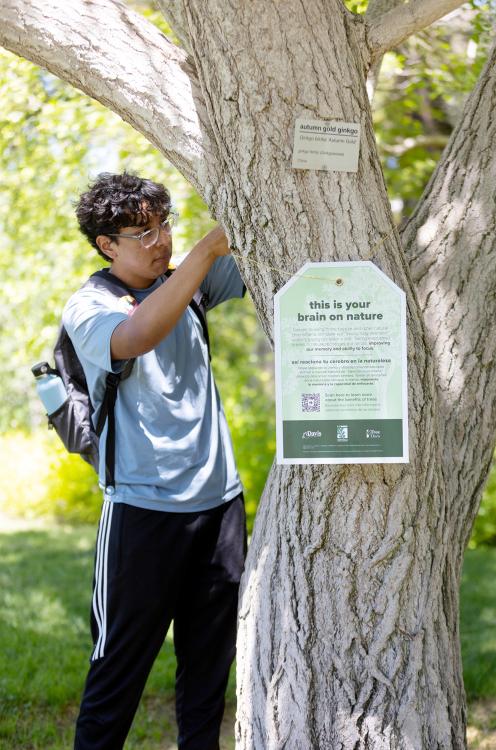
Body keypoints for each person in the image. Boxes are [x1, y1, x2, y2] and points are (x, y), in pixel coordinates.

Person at [64, 172, 247, 750]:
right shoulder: (90, 304)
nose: (160, 240)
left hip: (220, 507)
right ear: (106, 245)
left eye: (164, 224)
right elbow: (135, 336)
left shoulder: (189, 286)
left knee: (207, 675)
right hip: (142, 513)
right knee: (117, 673)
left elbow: (273, 253)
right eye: (141, 232)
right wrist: (205, 250)